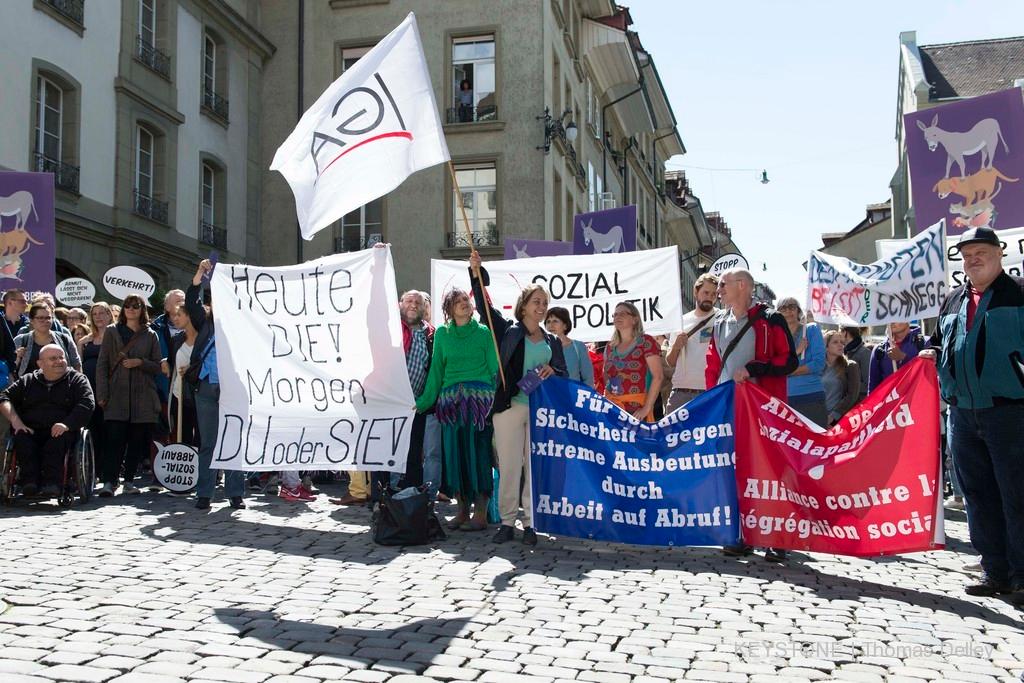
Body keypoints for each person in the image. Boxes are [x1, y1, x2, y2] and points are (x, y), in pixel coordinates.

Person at [920, 227, 1024, 605]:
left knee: (1016, 495)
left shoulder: (1019, 293)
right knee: (978, 495)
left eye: (981, 251)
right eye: (966, 254)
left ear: (999, 253)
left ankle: (1021, 574)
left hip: (1010, 412)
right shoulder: (952, 301)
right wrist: (929, 354)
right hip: (964, 413)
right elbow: (936, 342)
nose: (972, 259)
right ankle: (994, 570)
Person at [470, 250, 567, 545]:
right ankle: (508, 521)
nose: (542, 307)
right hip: (510, 407)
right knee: (511, 466)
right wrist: (476, 272)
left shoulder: (551, 340)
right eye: (536, 302)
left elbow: (563, 374)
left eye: (545, 303)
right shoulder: (507, 331)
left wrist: (553, 369)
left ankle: (531, 523)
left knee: (534, 467)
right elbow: (482, 304)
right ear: (523, 306)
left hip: (539, 411)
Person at [706, 268, 797, 562]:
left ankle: (777, 536)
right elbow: (713, 365)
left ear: (742, 285)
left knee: (768, 470)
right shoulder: (719, 322)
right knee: (733, 469)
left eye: (723, 284)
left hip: (763, 411)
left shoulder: (771, 320)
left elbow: (789, 361)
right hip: (728, 409)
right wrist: (712, 400)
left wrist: (756, 368)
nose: (718, 289)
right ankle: (741, 533)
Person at [415, 287, 498, 530]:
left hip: (479, 404)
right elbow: (436, 372)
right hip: (450, 405)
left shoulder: (484, 333)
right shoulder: (442, 334)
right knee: (455, 456)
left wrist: (495, 401)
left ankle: (480, 512)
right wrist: (422, 402)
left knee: (479, 455)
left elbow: (494, 369)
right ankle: (462, 510)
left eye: (466, 300)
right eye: (458, 301)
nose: (464, 303)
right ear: (449, 308)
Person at [186, 259, 245, 510]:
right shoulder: (205, 321)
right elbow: (191, 302)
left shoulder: (244, 324)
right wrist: (200, 273)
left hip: (234, 389)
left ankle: (235, 493)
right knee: (208, 442)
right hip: (207, 387)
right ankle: (204, 493)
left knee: (233, 441)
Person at [0, 344, 94, 498]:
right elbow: (4, 397)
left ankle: (53, 484)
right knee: (22, 438)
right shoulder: (28, 380)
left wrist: (67, 424)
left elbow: (87, 403)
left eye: (61, 357)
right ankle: (29, 483)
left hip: (62, 430)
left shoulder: (77, 379)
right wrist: (16, 421)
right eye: (53, 358)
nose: (59, 361)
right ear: (40, 364)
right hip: (31, 428)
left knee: (56, 442)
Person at [95, 294, 163, 496]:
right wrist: (102, 393)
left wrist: (140, 363)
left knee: (136, 440)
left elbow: (157, 366)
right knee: (114, 439)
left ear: (143, 309)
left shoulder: (150, 334)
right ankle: (109, 481)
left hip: (143, 396)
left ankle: (130, 480)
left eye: (136, 306)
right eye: (127, 306)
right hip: (116, 393)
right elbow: (102, 364)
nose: (131, 309)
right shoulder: (112, 331)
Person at [666, 274, 719, 413]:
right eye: (706, 292)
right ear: (696, 292)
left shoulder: (721, 319)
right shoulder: (681, 321)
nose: (710, 297)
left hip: (709, 392)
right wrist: (676, 346)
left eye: (714, 294)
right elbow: (670, 362)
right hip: (679, 393)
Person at [602, 302, 663, 422]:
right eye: (615, 315)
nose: (617, 317)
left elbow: (658, 377)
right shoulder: (609, 346)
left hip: (637, 411)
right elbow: (606, 376)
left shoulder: (646, 342)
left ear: (634, 320)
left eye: (623, 313)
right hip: (613, 409)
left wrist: (646, 408)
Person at [776, 297, 827, 428]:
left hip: (810, 397)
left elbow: (818, 363)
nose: (788, 311)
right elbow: (774, 368)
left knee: (816, 442)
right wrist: (797, 352)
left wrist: (787, 372)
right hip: (783, 399)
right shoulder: (775, 336)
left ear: (798, 311)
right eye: (783, 308)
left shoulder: (811, 330)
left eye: (792, 307)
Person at [78, 302, 113, 474]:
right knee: (93, 428)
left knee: (109, 429)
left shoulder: (115, 337)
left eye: (102, 313)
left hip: (110, 389)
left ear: (109, 315)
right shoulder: (85, 341)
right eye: (95, 314)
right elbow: (79, 366)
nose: (98, 317)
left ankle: (109, 468)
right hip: (89, 388)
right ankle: (94, 468)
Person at [165, 304, 199, 449]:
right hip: (180, 396)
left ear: (190, 316)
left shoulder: (204, 340)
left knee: (200, 436)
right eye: (174, 315)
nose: (175, 319)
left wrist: (193, 369)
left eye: (179, 315)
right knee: (182, 437)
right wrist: (164, 363)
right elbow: (172, 362)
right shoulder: (177, 339)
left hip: (200, 395)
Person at [15, 304, 82, 377]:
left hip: (61, 386)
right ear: (31, 320)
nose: (45, 321)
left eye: (48, 318)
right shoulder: (20, 340)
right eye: (40, 318)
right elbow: (10, 368)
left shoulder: (64, 339)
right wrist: (17, 358)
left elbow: (77, 364)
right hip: (28, 386)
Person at [544, 307, 594, 388]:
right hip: (549, 398)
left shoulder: (578, 347)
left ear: (565, 326)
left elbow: (588, 379)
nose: (550, 325)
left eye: (555, 321)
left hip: (574, 397)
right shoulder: (542, 347)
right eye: (548, 322)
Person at [867, 321, 923, 393]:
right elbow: (873, 388)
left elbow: (927, 376)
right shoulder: (879, 349)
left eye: (896, 317)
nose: (892, 320)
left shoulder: (924, 343)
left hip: (916, 400)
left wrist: (903, 358)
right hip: (889, 403)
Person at [822, 330, 861, 426]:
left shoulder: (850, 366)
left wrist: (833, 417)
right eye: (835, 342)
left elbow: (852, 395)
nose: (840, 345)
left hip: (839, 420)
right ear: (826, 347)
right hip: (819, 417)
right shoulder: (818, 367)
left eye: (842, 342)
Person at [840, 326, 871, 401]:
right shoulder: (843, 352)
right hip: (847, 400)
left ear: (845, 333)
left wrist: (844, 385)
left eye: (840, 331)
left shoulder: (864, 353)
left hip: (858, 403)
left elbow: (867, 384)